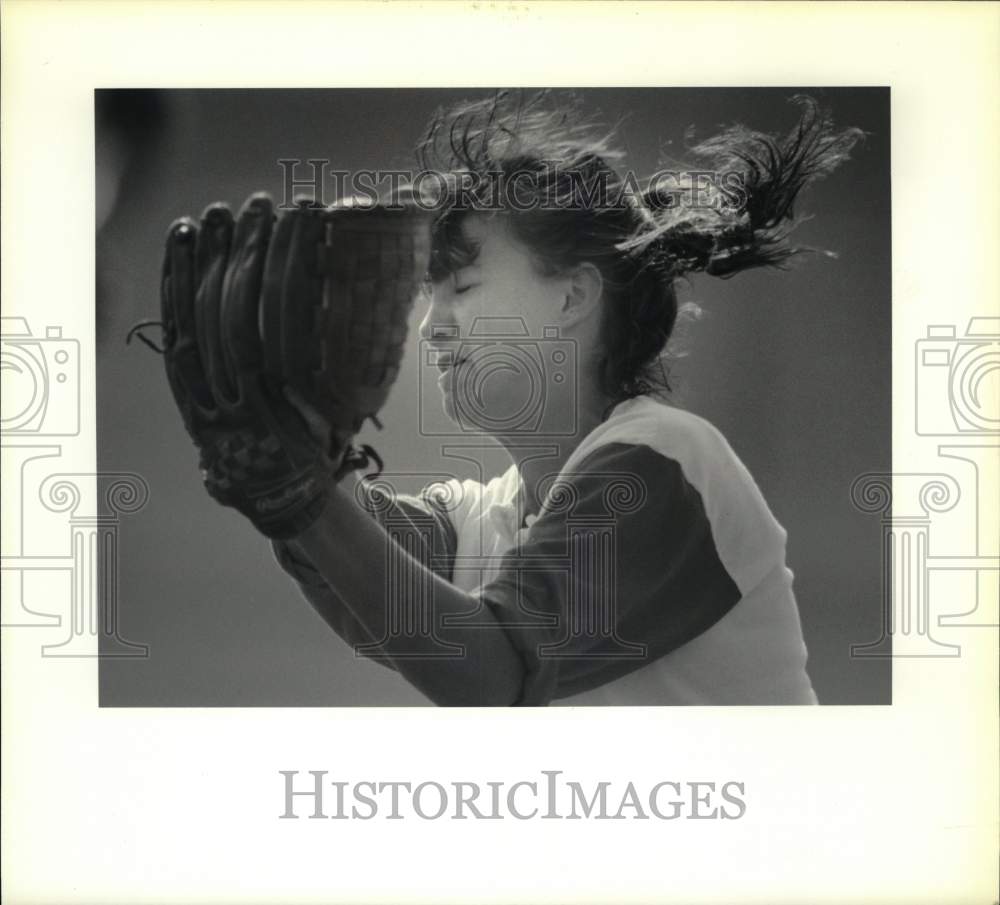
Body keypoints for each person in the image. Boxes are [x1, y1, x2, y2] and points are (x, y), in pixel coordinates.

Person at [270, 91, 864, 706]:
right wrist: (302, 443)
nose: (432, 326)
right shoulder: (480, 512)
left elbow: (495, 672)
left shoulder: (665, 459)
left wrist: (312, 496)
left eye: (464, 286)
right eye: (432, 295)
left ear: (573, 297)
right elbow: (366, 585)